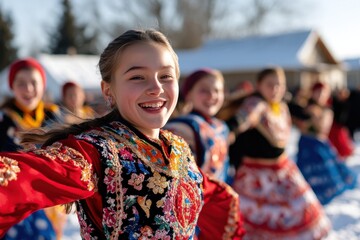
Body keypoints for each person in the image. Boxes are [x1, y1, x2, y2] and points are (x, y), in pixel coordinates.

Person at [1, 29, 210, 239]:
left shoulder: (179, 147)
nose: (156, 87)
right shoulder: (97, 152)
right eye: (137, 77)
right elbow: (24, 177)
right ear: (108, 91)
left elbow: (215, 195)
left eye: (166, 76)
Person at [224, 67, 331, 239]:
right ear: (259, 86)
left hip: (283, 168)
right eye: (270, 84)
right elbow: (243, 117)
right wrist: (230, 129)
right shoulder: (256, 104)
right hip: (257, 175)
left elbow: (300, 114)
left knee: (302, 206)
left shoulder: (280, 105)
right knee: (260, 218)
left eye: (279, 85)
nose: (275, 89)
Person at [164, 69, 245, 239]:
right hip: (192, 206)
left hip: (216, 203)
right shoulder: (182, 127)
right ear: (189, 94)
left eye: (217, 90)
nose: (211, 96)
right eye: (204, 90)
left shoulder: (220, 126)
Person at [0, 58, 66, 240]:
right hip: (12, 201)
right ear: (12, 87)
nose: (28, 89)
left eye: (34, 83)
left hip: (49, 201)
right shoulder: (3, 120)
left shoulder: (54, 117)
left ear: (43, 85)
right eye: (21, 83)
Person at [294, 81, 357, 205]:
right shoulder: (304, 107)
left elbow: (323, 129)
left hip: (319, 144)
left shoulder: (327, 110)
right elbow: (300, 124)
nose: (320, 95)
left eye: (323, 92)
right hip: (306, 144)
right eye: (318, 92)